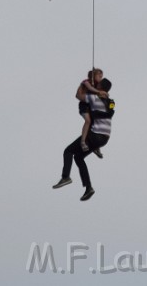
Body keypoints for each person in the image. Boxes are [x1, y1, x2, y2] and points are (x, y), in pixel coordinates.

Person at [53, 69, 113, 201]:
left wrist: (83, 85)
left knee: (68, 151)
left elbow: (78, 96)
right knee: (79, 158)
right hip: (104, 138)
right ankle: (88, 188)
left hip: (95, 135)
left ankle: (65, 177)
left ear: (101, 87)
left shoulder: (94, 97)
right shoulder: (109, 101)